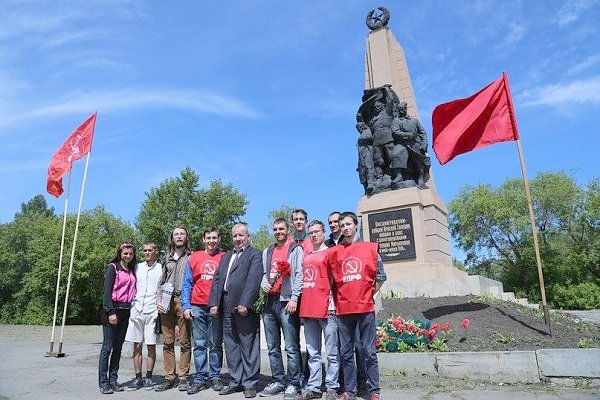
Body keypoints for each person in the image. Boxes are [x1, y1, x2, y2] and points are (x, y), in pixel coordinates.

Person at [328, 212, 387, 400]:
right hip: (344, 310)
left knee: (369, 351)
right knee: (346, 353)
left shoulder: (370, 249)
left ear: (356, 225)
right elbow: (331, 280)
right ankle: (350, 391)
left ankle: (374, 391)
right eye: (342, 225)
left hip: (365, 309)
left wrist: (368, 293)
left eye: (348, 224)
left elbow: (381, 276)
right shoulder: (335, 252)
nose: (345, 228)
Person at [209, 223, 263, 398]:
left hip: (243, 307)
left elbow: (253, 281)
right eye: (235, 236)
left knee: (248, 345)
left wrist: (245, 303)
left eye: (241, 235)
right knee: (231, 345)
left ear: (248, 236)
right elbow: (217, 280)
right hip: (225, 305)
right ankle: (235, 381)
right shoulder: (226, 256)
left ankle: (249, 383)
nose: (238, 239)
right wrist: (214, 303)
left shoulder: (255, 255)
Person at [259, 219, 304, 399]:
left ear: (287, 230)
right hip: (270, 302)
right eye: (276, 229)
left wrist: (294, 297)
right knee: (272, 346)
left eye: (281, 229)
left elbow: (299, 273)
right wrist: (264, 284)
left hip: (286, 302)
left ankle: (294, 383)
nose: (278, 231)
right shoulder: (268, 251)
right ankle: (278, 380)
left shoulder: (295, 249)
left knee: (291, 346)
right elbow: (264, 273)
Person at [297, 220, 339, 400]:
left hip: (327, 308)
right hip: (308, 308)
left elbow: (336, 280)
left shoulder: (330, 253)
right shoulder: (305, 256)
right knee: (312, 351)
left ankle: (331, 387)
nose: (313, 235)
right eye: (310, 232)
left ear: (323, 233)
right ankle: (314, 386)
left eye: (317, 232)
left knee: (331, 351)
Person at [181, 228, 225, 394]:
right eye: (208, 238)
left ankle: (215, 376)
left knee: (215, 344)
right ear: (203, 239)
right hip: (197, 306)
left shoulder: (224, 257)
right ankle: (200, 377)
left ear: (219, 239)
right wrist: (186, 306)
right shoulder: (194, 257)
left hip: (216, 307)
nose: (211, 241)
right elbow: (187, 283)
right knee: (199, 345)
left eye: (214, 238)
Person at [155, 227, 192, 392]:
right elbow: (161, 280)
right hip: (166, 300)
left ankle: (183, 377)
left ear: (186, 238)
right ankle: (169, 377)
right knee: (167, 342)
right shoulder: (166, 258)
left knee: (184, 341)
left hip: (183, 300)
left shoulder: (191, 257)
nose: (179, 236)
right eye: (176, 234)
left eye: (182, 234)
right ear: (172, 237)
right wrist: (158, 300)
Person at [98, 241, 137, 394]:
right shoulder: (112, 268)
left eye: (131, 254)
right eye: (125, 253)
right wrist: (110, 312)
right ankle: (103, 382)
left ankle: (113, 379)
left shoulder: (132, 269)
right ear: (120, 253)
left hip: (125, 311)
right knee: (107, 347)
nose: (128, 256)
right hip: (112, 310)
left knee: (118, 348)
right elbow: (106, 293)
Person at [124, 241, 162, 391]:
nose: (147, 252)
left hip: (153, 310)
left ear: (155, 251)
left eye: (150, 250)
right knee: (137, 345)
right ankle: (138, 377)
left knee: (151, 345)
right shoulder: (137, 267)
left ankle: (149, 377)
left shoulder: (161, 268)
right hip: (137, 309)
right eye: (145, 250)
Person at [391, 101, 431, 188]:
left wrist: (424, 143)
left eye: (403, 109)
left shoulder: (414, 121)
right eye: (400, 110)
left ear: (406, 109)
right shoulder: (396, 121)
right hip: (402, 143)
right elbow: (395, 131)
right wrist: (407, 135)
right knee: (395, 154)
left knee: (418, 162)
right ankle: (399, 176)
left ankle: (420, 179)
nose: (401, 111)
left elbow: (422, 132)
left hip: (415, 143)